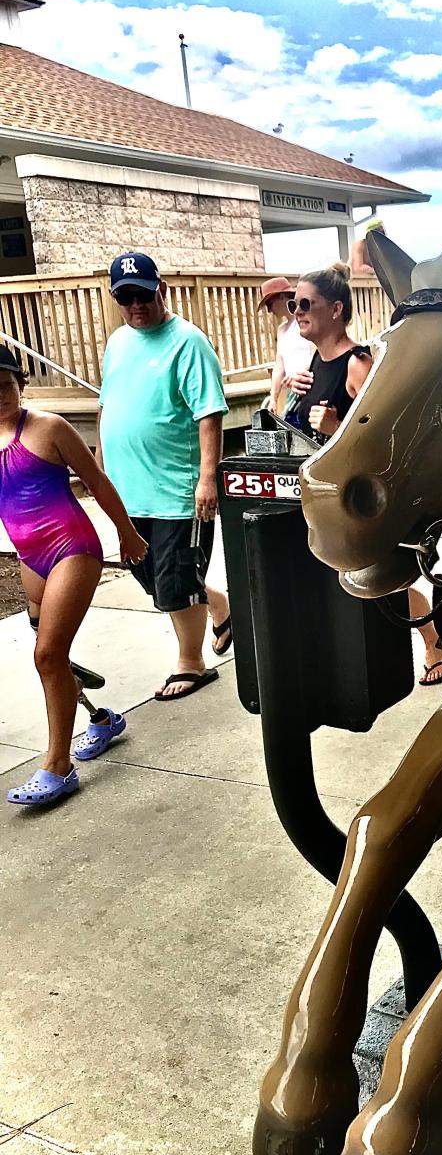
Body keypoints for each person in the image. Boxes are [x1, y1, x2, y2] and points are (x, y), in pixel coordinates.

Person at [0, 346, 148, 807]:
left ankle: (58, 767)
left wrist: (128, 534)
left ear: (20, 384)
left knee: (47, 655)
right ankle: (101, 720)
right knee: (54, 659)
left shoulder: (49, 428)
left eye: (5, 383)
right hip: (31, 558)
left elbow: (97, 481)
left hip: (73, 549)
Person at [288, 263, 442, 685]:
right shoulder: (314, 365)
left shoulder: (357, 364)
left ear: (336, 309)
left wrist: (334, 427)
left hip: (357, 497)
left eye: (306, 303)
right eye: (294, 304)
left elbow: (381, 436)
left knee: (383, 576)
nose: (297, 311)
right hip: (322, 494)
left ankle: (433, 643)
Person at [97, 251, 232, 702]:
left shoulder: (188, 342)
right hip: (128, 490)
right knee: (150, 574)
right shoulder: (118, 342)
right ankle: (218, 606)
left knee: (174, 584)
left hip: (178, 490)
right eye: (126, 297)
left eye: (143, 294)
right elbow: (108, 404)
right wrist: (100, 461)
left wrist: (207, 478)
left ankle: (191, 663)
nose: (136, 304)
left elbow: (209, 413)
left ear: (162, 290)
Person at [258, 275, 315, 420]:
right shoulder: (282, 330)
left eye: (269, 304)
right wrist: (273, 398)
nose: (269, 311)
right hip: (292, 391)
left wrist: (300, 374)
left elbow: (317, 353)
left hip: (309, 386)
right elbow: (279, 367)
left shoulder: (305, 321)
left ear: (282, 297)